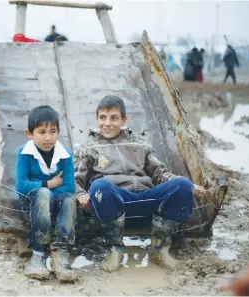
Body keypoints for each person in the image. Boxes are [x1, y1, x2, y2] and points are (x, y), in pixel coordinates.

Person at [74, 95, 206, 272]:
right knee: (100, 186)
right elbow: (75, 180)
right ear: (97, 119)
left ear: (124, 119)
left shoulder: (140, 144)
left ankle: (159, 248)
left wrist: (190, 185)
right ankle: (116, 249)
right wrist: (80, 194)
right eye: (102, 118)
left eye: (114, 118)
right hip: (113, 203)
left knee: (182, 185)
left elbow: (160, 174)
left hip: (145, 200)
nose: (107, 123)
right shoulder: (88, 148)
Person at [15, 105, 77, 281]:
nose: (48, 137)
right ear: (30, 133)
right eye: (41, 132)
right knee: (42, 193)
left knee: (70, 199)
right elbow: (20, 185)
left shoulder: (65, 155)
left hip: (56, 208)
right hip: (32, 207)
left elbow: (69, 187)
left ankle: (61, 254)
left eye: (53, 131)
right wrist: (48, 184)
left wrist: (49, 191)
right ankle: (38, 254)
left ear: (58, 132)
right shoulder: (24, 153)